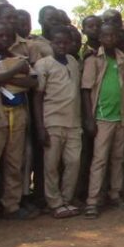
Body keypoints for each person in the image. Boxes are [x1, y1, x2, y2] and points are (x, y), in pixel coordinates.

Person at [0, 21, 38, 224]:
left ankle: (11, 205)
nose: (4, 39)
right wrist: (16, 70)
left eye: (8, 36)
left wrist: (6, 77)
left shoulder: (16, 57)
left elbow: (32, 82)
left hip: (18, 113)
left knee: (14, 163)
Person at [81, 22, 124, 218]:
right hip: (102, 118)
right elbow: (86, 90)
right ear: (101, 38)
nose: (109, 40)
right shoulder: (93, 60)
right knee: (99, 160)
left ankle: (115, 193)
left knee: (118, 158)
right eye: (105, 36)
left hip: (121, 116)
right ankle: (92, 201)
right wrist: (89, 118)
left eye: (113, 36)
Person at [32, 26, 83, 219]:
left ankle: (67, 199)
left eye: (65, 43)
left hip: (74, 122)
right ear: (51, 44)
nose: (62, 46)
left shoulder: (72, 61)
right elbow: (38, 97)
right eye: (58, 43)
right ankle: (55, 202)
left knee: (73, 162)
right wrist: (40, 126)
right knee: (51, 164)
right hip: (52, 121)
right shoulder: (43, 64)